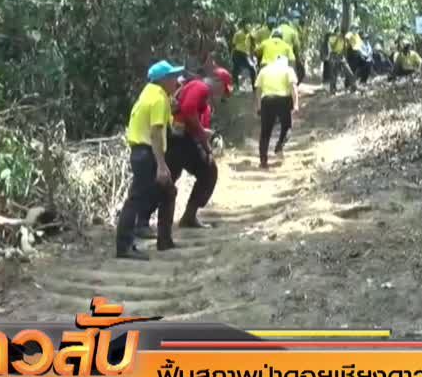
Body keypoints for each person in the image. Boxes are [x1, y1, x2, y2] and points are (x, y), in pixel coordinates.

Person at [137, 67, 231, 233]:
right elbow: (188, 110)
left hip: (181, 139)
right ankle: (147, 221)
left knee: (170, 179)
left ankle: (147, 220)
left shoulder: (203, 97)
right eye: (224, 90)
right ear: (217, 82)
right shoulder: (200, 87)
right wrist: (202, 136)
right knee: (207, 171)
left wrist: (204, 139)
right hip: (180, 139)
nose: (222, 95)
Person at [115, 61, 185, 260]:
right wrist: (162, 165)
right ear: (162, 80)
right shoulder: (158, 98)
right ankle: (124, 246)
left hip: (142, 152)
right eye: (172, 77)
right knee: (136, 198)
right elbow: (155, 132)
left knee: (167, 192)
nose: (176, 81)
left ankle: (164, 240)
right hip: (147, 153)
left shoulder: (149, 94)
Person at [254, 55, 300, 170]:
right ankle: (280, 146)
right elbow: (293, 88)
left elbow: (258, 90)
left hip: (267, 100)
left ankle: (263, 161)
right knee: (287, 127)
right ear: (285, 62)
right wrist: (296, 104)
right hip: (283, 101)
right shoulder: (288, 70)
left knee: (265, 132)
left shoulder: (264, 70)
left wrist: (259, 106)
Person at [326, 26, 355, 94]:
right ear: (336, 32)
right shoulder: (332, 38)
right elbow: (331, 47)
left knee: (349, 72)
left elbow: (346, 48)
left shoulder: (343, 39)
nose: (340, 33)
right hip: (334, 56)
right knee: (334, 75)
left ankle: (353, 87)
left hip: (341, 57)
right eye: (338, 32)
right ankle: (332, 90)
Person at [278, 11, 305, 82]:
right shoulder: (291, 28)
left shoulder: (297, 28)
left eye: (298, 18)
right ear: (291, 19)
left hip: (278, 53)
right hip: (288, 54)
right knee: (294, 73)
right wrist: (298, 56)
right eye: (296, 18)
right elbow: (297, 45)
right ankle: (292, 88)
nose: (298, 20)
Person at [230, 24, 255, 91]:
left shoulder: (249, 35)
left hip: (245, 54)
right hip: (238, 53)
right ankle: (236, 87)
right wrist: (231, 55)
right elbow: (233, 45)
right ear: (243, 27)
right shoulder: (238, 34)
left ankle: (253, 86)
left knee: (251, 68)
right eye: (247, 28)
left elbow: (252, 46)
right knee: (236, 70)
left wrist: (251, 56)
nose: (248, 29)